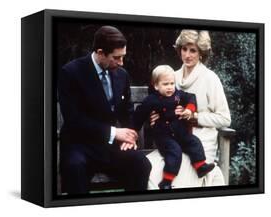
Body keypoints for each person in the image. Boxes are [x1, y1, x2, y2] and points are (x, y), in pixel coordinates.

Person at [58, 26, 151, 194]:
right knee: (74, 168)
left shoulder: (121, 75)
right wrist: (115, 133)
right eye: (117, 57)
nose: (121, 62)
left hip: (109, 147)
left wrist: (128, 137)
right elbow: (74, 120)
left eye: (123, 57)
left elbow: (127, 112)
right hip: (79, 145)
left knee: (141, 164)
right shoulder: (71, 72)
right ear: (100, 52)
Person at [147, 30, 231, 189]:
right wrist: (155, 116)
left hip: (200, 142)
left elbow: (225, 118)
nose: (187, 55)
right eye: (184, 49)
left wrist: (195, 116)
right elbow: (160, 103)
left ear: (201, 53)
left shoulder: (210, 78)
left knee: (177, 176)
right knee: (150, 168)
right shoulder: (172, 77)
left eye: (193, 50)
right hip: (173, 139)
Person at [133, 65, 215, 189]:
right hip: (164, 137)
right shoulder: (152, 100)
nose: (170, 87)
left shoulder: (177, 95)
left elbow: (191, 97)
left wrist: (189, 109)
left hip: (180, 133)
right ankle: (166, 181)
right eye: (165, 84)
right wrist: (133, 131)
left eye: (172, 83)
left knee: (194, 141)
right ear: (156, 86)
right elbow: (140, 114)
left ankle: (200, 167)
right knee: (175, 152)